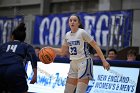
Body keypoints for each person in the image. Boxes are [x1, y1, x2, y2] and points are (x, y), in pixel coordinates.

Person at [52, 14, 110, 93]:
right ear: (68, 23)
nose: (72, 22)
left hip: (84, 62)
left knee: (79, 92)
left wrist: (104, 60)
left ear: (78, 23)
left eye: (75, 20)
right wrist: (50, 49)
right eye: (70, 20)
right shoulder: (67, 35)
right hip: (73, 63)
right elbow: (62, 52)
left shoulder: (82, 32)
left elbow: (95, 45)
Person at [0, 22, 37, 93]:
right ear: (24, 38)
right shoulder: (25, 45)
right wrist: (35, 75)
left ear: (12, 36)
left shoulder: (3, 45)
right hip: (15, 69)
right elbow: (33, 57)